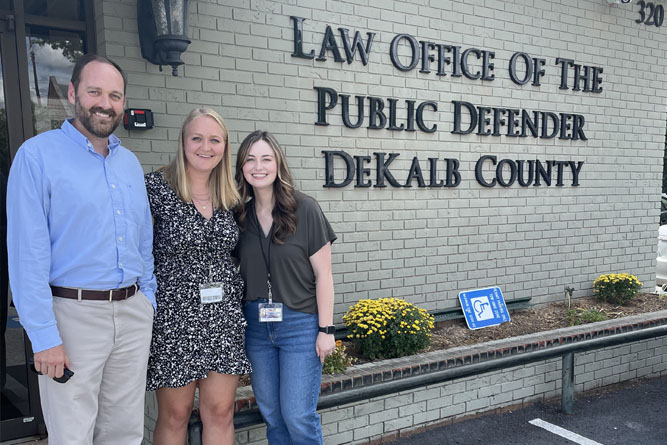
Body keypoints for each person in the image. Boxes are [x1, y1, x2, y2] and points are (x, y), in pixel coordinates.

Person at [6, 54, 156, 444]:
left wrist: (147, 301)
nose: (105, 103)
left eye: (115, 95)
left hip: (132, 314)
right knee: (72, 434)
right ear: (73, 93)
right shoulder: (37, 157)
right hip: (71, 318)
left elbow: (144, 242)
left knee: (124, 432)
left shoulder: (130, 164)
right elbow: (27, 256)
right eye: (95, 91)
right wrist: (43, 336)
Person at [145, 108, 251, 445]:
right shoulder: (156, 189)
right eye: (197, 138)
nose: (206, 147)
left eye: (214, 140)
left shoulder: (232, 195)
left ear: (224, 146)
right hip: (174, 319)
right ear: (183, 141)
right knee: (175, 416)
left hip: (224, 318)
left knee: (220, 412)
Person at [234, 130, 337, 444]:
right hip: (256, 327)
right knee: (273, 417)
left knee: (298, 416)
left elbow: (325, 276)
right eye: (250, 159)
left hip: (299, 326)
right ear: (241, 167)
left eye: (266, 158)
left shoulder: (305, 209)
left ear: (278, 164)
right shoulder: (239, 216)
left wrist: (326, 330)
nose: (258, 166)